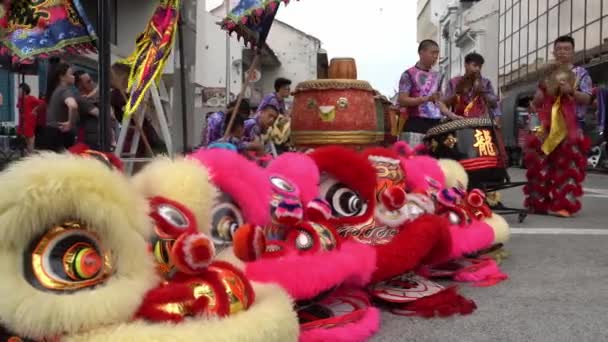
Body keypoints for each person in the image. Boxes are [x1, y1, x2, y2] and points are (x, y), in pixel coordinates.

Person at [524, 35, 593, 217]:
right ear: (553, 52)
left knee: (568, 167)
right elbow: (538, 99)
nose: (562, 52)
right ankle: (538, 203)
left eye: (566, 49)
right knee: (541, 165)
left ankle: (565, 205)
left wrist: (571, 91)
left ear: (573, 52)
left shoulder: (581, 73)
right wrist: (542, 90)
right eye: (559, 49)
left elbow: (587, 98)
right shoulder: (548, 73)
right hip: (546, 127)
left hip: (571, 127)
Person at [398, 40, 459, 146]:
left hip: (436, 125)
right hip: (416, 123)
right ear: (421, 52)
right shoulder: (408, 74)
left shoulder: (438, 76)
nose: (436, 56)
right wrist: (426, 99)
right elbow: (402, 100)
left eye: (437, 53)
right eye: (433, 52)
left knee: (435, 160)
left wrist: (452, 115)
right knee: (414, 159)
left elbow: (438, 103)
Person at [443, 52, 501, 125]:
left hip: (481, 125)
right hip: (458, 125)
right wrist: (451, 115)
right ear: (466, 65)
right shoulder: (454, 82)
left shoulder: (486, 83)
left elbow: (495, 104)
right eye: (475, 65)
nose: (477, 69)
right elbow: (444, 105)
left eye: (480, 67)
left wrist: (482, 92)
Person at [42, 62, 79, 151]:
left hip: (50, 133)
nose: (73, 77)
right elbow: (73, 106)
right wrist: (70, 122)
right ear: (62, 77)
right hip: (62, 135)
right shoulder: (65, 91)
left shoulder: (55, 91)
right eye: (71, 74)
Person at [16, 83, 44, 154]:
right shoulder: (20, 99)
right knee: (25, 143)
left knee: (30, 142)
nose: (18, 92)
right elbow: (19, 107)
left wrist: (35, 110)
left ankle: (31, 157)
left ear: (24, 91)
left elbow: (42, 103)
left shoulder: (31, 98)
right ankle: (28, 156)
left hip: (29, 123)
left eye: (19, 90)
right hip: (22, 123)